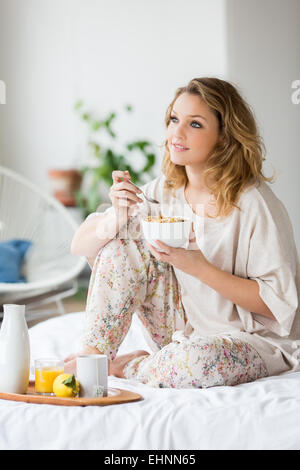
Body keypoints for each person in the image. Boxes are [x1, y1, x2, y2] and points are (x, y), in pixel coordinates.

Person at [65, 77, 300, 389]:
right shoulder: (164, 191)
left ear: (224, 137)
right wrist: (117, 217)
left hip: (249, 342)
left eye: (196, 124)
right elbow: (80, 245)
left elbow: (277, 303)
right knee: (123, 236)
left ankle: (129, 366)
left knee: (196, 362)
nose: (177, 132)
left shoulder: (255, 204)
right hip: (178, 331)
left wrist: (198, 266)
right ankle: (92, 360)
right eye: (174, 119)